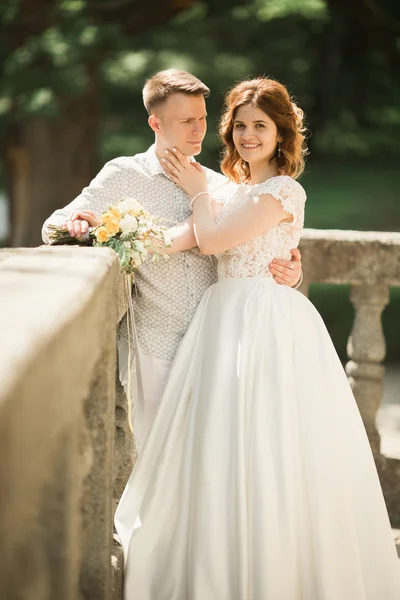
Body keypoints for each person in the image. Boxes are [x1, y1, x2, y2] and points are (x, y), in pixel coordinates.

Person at [114, 77, 400, 599]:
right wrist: (115, 234)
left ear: (281, 132)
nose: (248, 135)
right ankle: (218, 562)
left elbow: (214, 238)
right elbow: (180, 240)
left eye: (260, 126)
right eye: (240, 125)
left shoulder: (284, 189)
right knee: (219, 443)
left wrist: (199, 194)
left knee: (268, 442)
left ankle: (273, 568)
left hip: (262, 321)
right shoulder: (238, 189)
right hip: (222, 318)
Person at [41, 69, 302, 454]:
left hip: (221, 340)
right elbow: (54, 226)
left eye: (203, 119)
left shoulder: (220, 184)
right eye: (186, 122)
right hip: (158, 340)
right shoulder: (123, 175)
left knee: (217, 456)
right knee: (160, 455)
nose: (199, 130)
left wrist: (291, 272)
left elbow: (257, 241)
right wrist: (78, 225)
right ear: (155, 123)